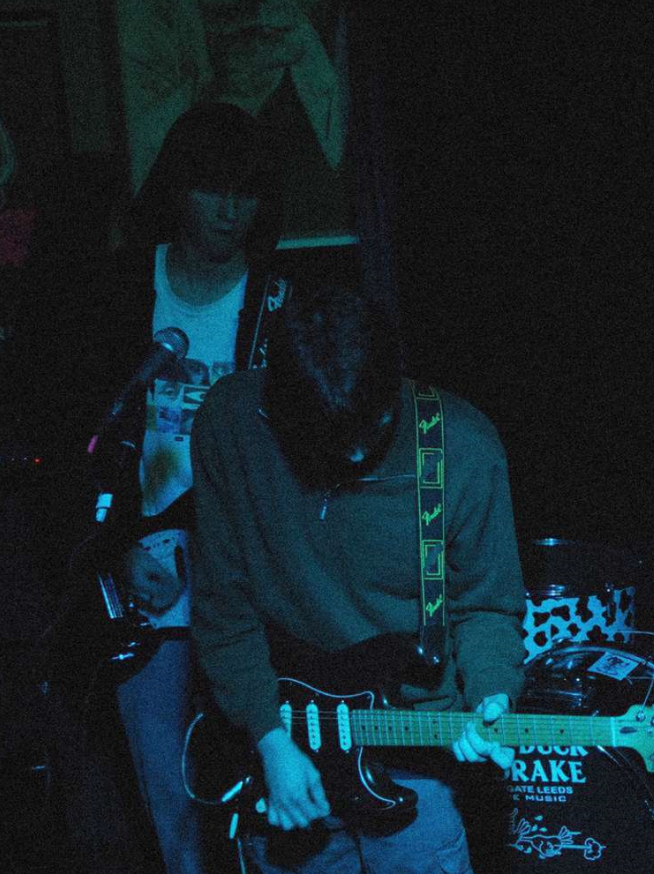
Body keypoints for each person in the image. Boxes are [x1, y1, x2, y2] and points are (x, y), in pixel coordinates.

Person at [190, 282, 526, 872]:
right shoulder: (231, 422)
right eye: (321, 436)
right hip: (279, 737)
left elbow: (486, 605)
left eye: (371, 429)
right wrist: (269, 737)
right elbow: (223, 605)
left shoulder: (462, 447)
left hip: (414, 743)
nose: (349, 457)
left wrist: (491, 693)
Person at [94, 100, 293, 874]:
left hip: (245, 580)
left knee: (260, 784)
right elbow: (73, 436)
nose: (230, 211)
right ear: (179, 189)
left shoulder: (278, 300)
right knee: (165, 791)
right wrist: (115, 548)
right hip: (143, 576)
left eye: (246, 194)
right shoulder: (121, 290)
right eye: (214, 189)